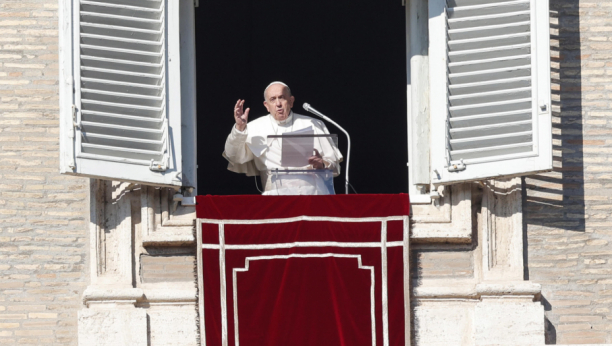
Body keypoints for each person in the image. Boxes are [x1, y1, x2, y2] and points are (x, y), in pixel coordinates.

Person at [223, 82, 342, 195]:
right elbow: (234, 156)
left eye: (282, 98)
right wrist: (239, 128)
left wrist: (321, 165)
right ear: (266, 105)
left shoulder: (313, 124)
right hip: (276, 197)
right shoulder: (253, 128)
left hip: (313, 194)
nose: (278, 104)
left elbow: (335, 168)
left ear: (291, 101)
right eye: (273, 99)